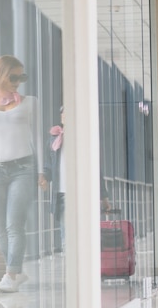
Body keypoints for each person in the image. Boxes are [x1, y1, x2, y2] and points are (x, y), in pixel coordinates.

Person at [0, 55, 46, 293]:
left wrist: (42, 170)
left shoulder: (31, 102)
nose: (18, 81)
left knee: (15, 225)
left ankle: (11, 274)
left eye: (21, 77)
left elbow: (38, 138)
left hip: (23, 169)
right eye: (14, 76)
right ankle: (15, 271)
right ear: (0, 74)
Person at [41, 107, 111, 252]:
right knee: (66, 235)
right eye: (63, 113)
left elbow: (96, 170)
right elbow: (49, 166)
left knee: (83, 231)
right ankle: (72, 266)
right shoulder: (53, 140)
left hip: (82, 193)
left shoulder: (85, 139)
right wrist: (44, 178)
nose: (66, 116)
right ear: (61, 117)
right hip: (61, 193)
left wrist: (103, 198)